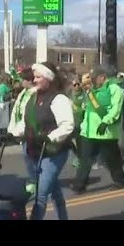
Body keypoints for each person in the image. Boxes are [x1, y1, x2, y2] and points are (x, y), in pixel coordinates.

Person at [23, 62, 75, 220]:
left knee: (40, 195)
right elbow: (27, 121)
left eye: (38, 77)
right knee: (55, 191)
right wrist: (14, 133)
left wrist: (50, 137)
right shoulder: (33, 97)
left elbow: (67, 125)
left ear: (48, 78)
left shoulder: (59, 99)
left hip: (54, 151)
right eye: (34, 77)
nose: (34, 80)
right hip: (35, 150)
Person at [72, 65, 124, 194]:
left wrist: (106, 122)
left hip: (106, 133)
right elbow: (83, 107)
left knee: (112, 159)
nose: (92, 80)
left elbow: (115, 109)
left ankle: (119, 180)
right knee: (85, 159)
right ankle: (80, 185)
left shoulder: (115, 89)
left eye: (94, 78)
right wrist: (78, 93)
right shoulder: (91, 91)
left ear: (103, 77)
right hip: (88, 131)